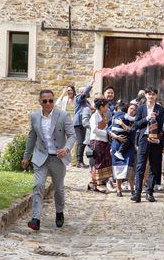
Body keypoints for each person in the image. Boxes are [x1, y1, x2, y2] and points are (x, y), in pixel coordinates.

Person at [21, 89, 76, 231]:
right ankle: (36, 218)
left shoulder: (63, 116)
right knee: (38, 185)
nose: (48, 103)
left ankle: (59, 212)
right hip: (40, 157)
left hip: (58, 158)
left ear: (54, 100)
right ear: (40, 102)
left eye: (50, 100)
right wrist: (26, 156)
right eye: (44, 101)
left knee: (58, 188)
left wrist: (67, 149)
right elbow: (32, 137)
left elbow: (72, 136)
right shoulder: (34, 116)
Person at [131, 86, 164, 203]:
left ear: (156, 96)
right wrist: (147, 118)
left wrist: (159, 139)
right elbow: (136, 125)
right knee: (140, 166)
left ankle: (149, 192)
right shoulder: (140, 109)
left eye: (153, 94)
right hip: (144, 139)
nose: (151, 96)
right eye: (149, 94)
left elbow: (163, 128)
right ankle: (137, 193)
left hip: (155, 141)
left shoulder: (161, 110)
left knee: (154, 167)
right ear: (145, 95)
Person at [109, 103, 136, 197]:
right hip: (117, 144)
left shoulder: (135, 120)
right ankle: (118, 189)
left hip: (129, 147)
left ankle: (133, 190)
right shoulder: (117, 116)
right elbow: (108, 129)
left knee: (129, 167)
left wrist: (122, 124)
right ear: (127, 109)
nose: (132, 111)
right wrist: (116, 136)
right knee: (118, 166)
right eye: (131, 108)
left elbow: (132, 131)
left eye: (134, 110)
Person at [88, 98, 113, 193]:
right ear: (101, 106)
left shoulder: (103, 116)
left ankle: (92, 182)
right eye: (106, 106)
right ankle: (98, 184)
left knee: (102, 161)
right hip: (97, 141)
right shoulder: (94, 116)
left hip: (103, 141)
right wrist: (107, 133)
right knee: (99, 161)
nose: (107, 108)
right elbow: (94, 130)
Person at [73, 77, 95, 168]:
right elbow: (83, 95)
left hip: (84, 123)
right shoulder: (78, 98)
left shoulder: (87, 102)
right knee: (81, 142)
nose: (87, 93)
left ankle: (80, 161)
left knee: (83, 142)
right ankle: (79, 161)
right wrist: (90, 84)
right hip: (78, 123)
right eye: (85, 91)